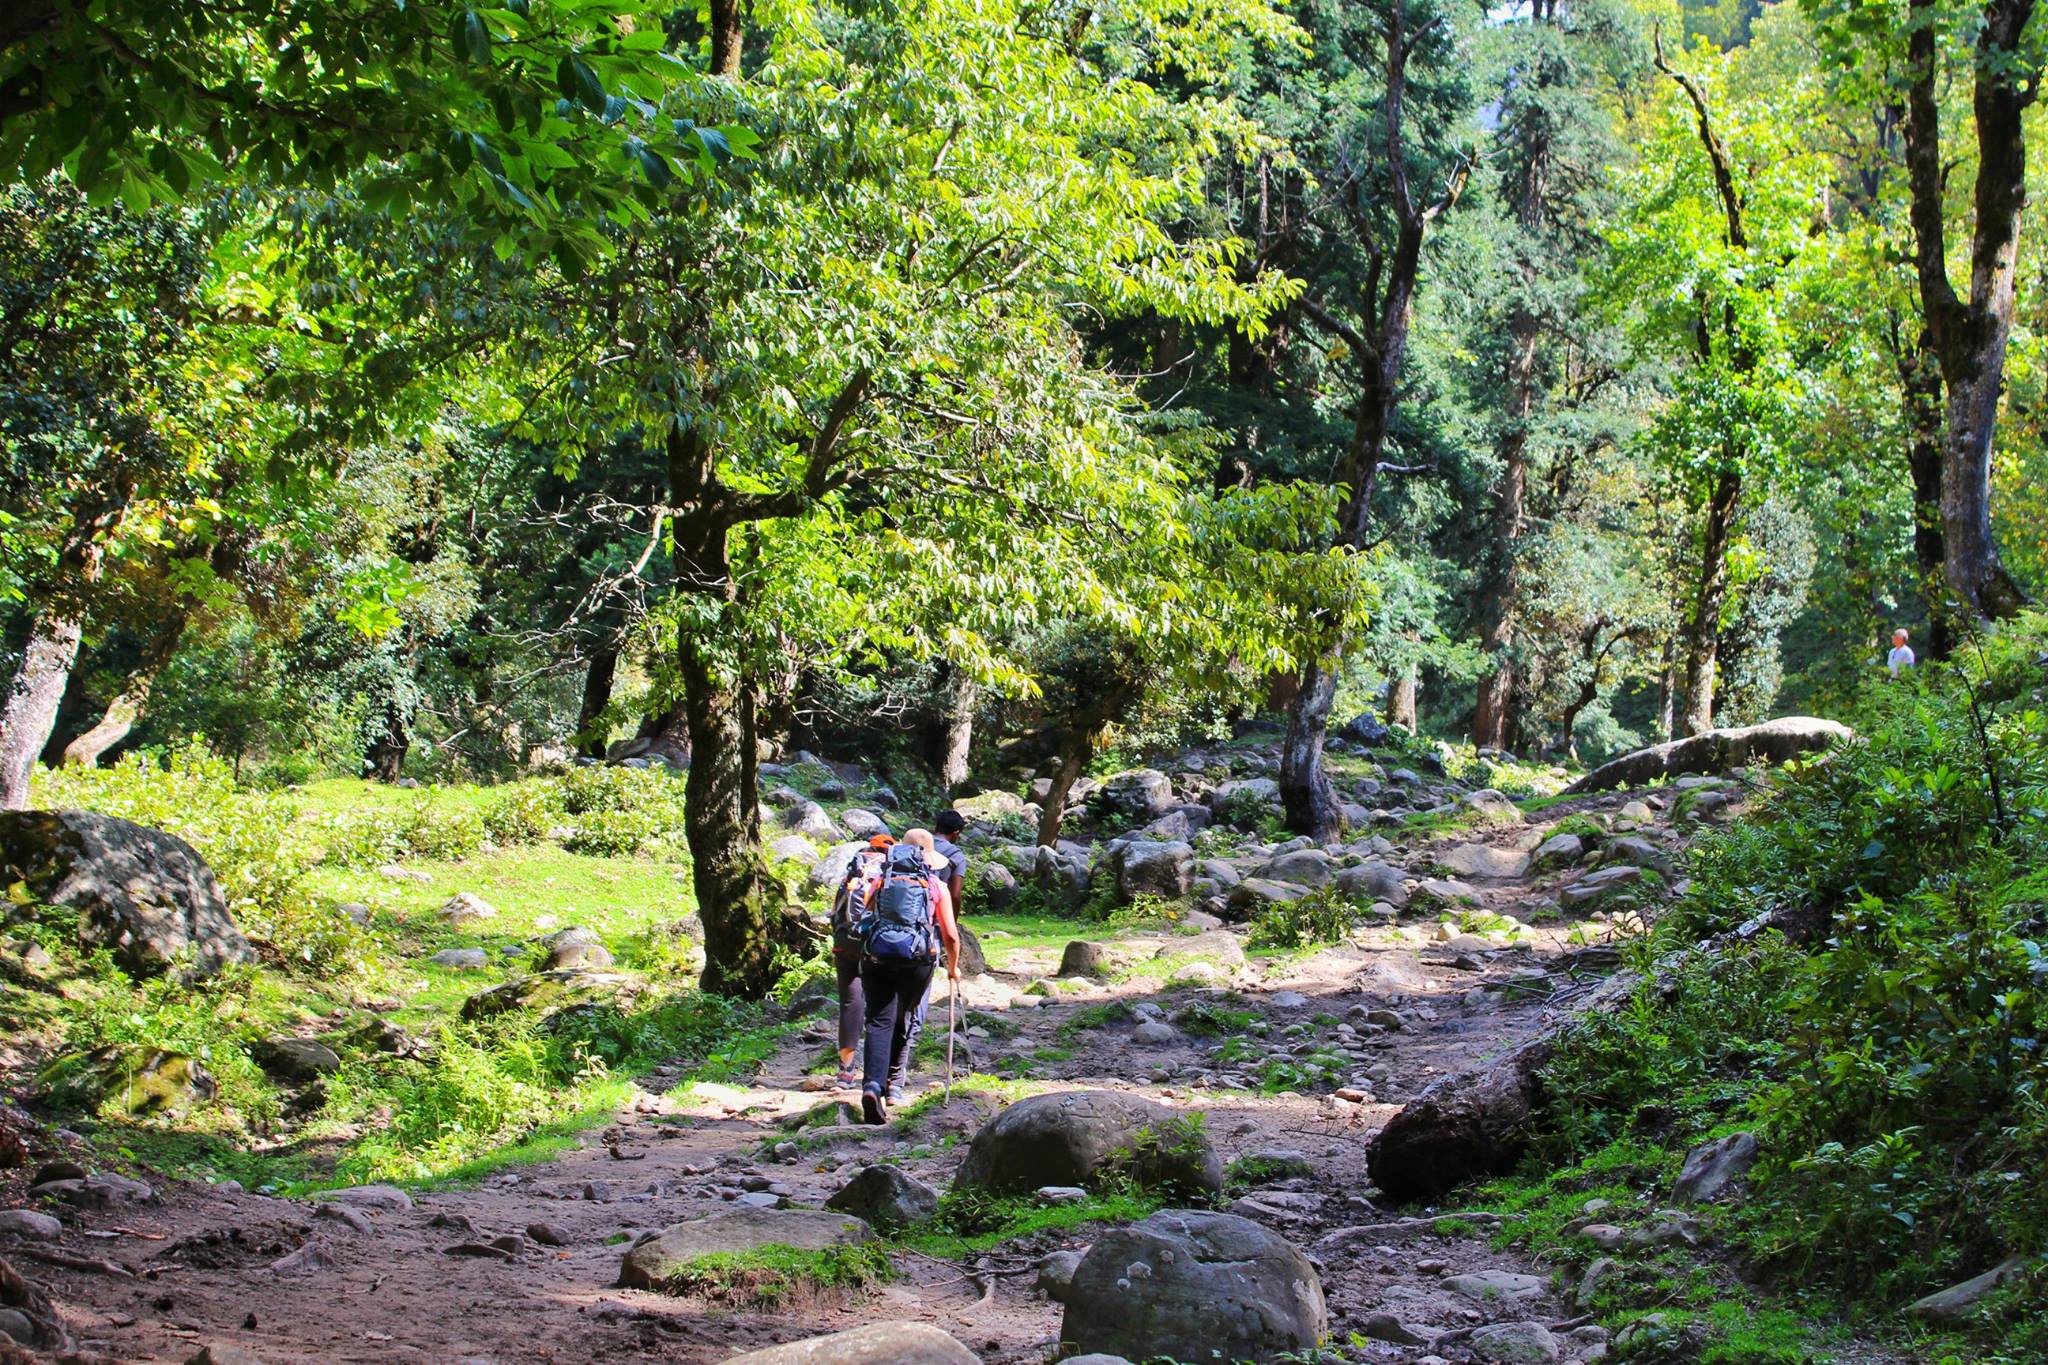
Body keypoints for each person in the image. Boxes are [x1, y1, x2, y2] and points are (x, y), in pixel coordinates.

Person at [857, 830, 960, 1125]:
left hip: (877, 957)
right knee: (906, 1016)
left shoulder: (882, 880)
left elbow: (866, 916)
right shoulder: (935, 885)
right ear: (928, 857)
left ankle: (872, 1087)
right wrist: (953, 968)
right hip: (917, 961)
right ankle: (894, 1087)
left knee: (878, 1020)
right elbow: (951, 936)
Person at [831, 834, 896, 1087]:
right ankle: (880, 1074)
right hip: (876, 944)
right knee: (881, 1007)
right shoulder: (889, 872)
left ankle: (845, 1070)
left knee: (850, 1001)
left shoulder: (853, 871)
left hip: (845, 940)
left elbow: (836, 911)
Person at [932, 810, 969, 919]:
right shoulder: (956, 855)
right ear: (956, 833)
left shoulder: (918, 844)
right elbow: (955, 895)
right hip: (933, 914)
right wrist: (952, 923)